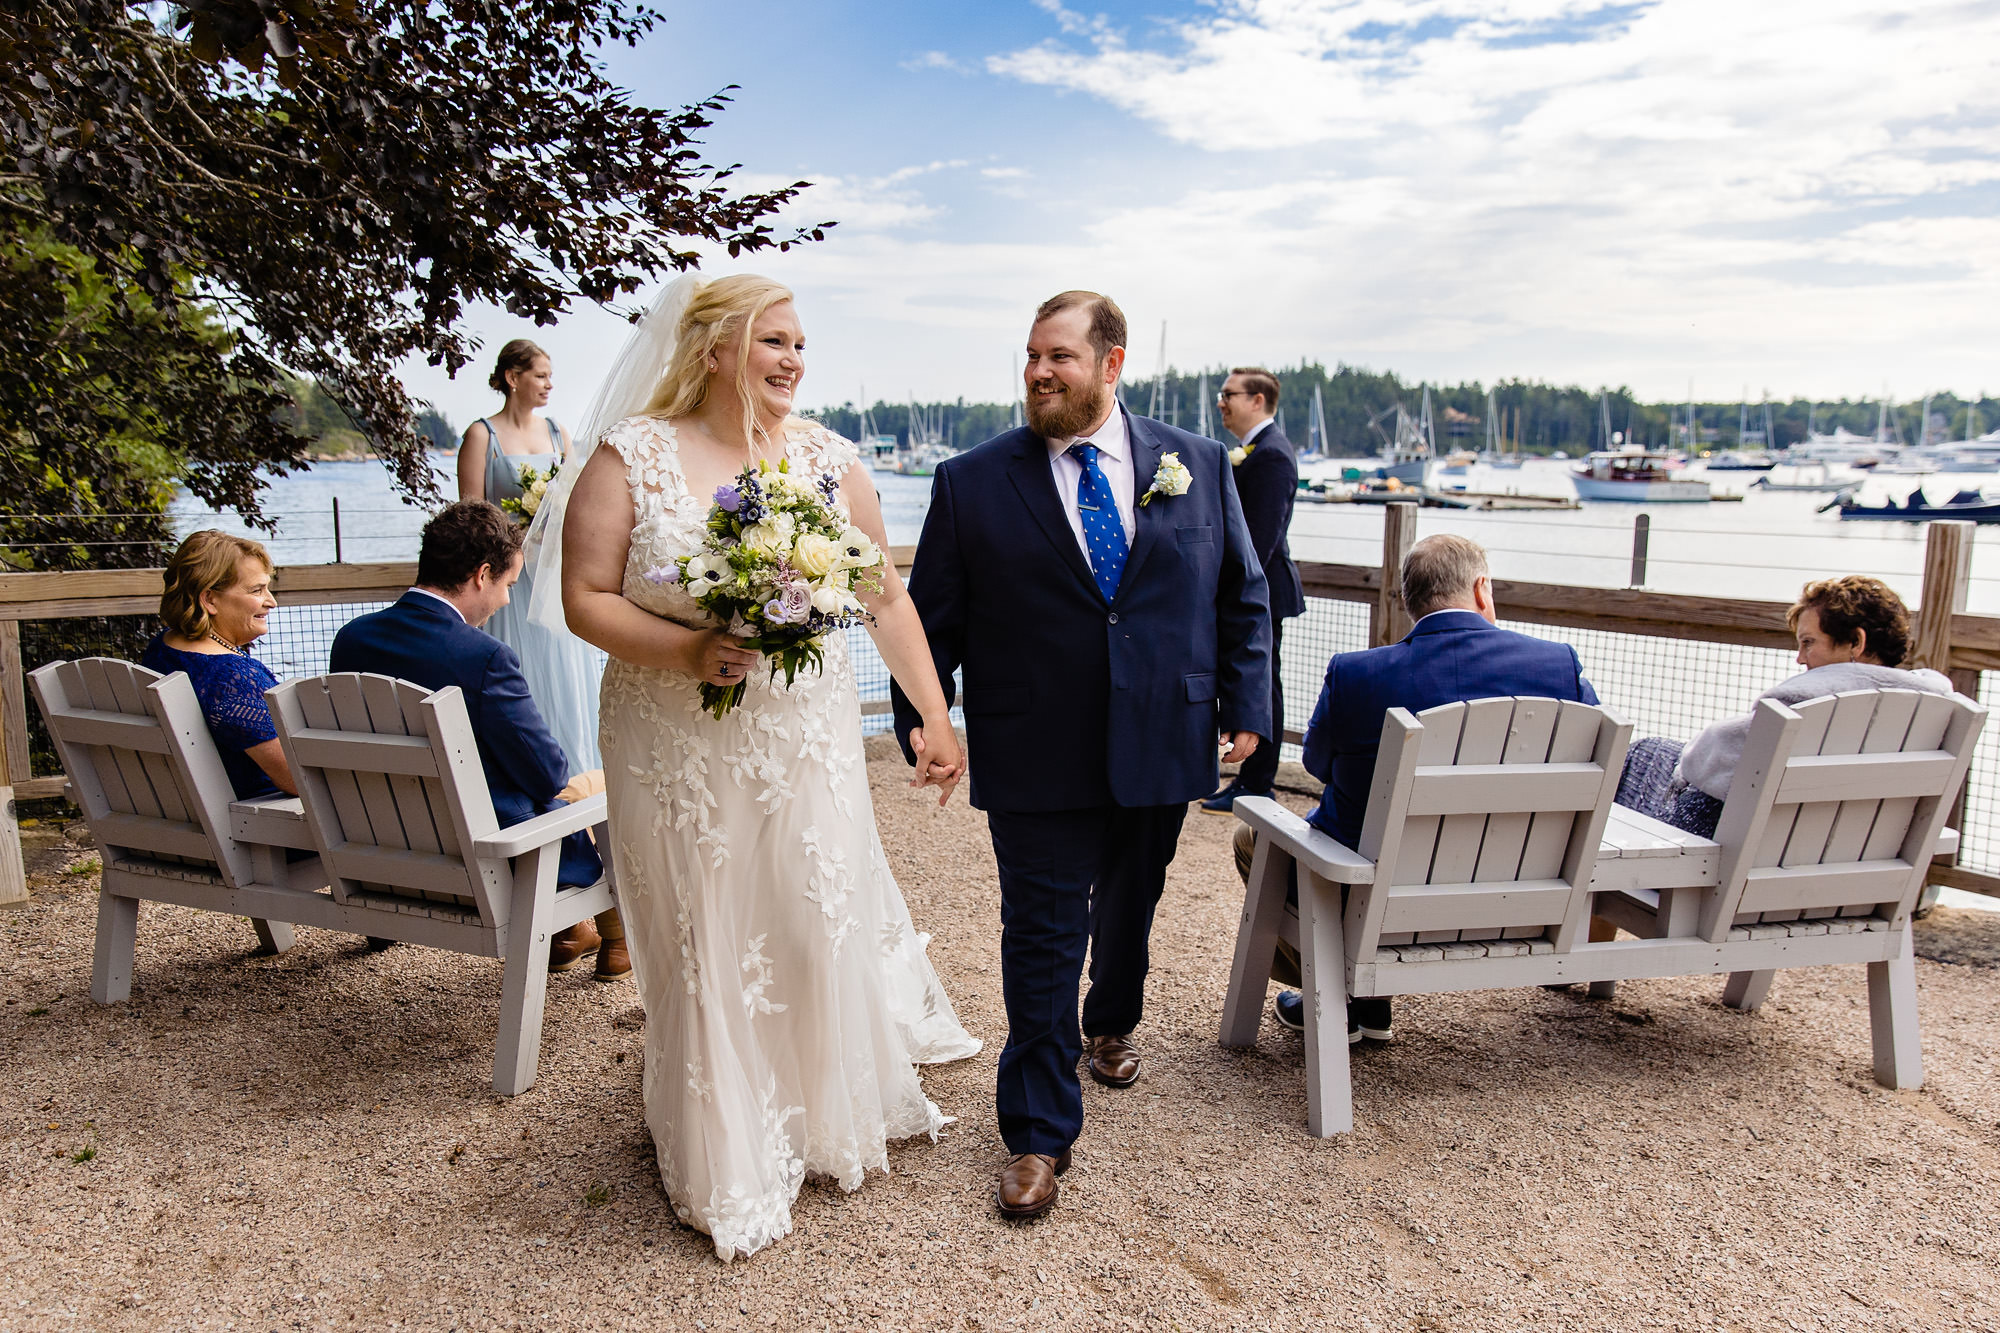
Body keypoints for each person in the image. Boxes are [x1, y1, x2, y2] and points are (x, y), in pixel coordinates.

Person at [560, 273, 980, 1261]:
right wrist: (685, 650)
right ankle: (722, 1141)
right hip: (675, 736)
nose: (793, 359)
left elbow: (883, 600)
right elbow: (584, 597)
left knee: (803, 911)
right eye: (772, 340)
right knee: (706, 922)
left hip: (805, 732)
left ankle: (815, 1107)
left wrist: (931, 713)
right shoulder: (632, 457)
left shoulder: (832, 462)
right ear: (711, 348)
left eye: (800, 344)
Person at [893, 290, 1273, 1222]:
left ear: (1111, 363)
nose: (1037, 372)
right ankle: (1034, 1132)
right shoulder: (973, 480)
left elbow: (1243, 597)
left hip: (1164, 734)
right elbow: (926, 622)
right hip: (1033, 747)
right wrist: (925, 719)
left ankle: (1110, 1023)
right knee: (1041, 933)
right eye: (1030, 356)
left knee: (1133, 902)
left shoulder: (1198, 463)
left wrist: (1247, 703)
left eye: (1058, 356)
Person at [1241, 534, 1599, 1041]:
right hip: (1517, 900)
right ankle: (1361, 1000)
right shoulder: (1556, 666)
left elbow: (1318, 764)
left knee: (1253, 839)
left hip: (1378, 902)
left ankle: (1339, 992)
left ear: (1408, 601)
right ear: (1481, 588)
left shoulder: (1358, 675)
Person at [329, 501, 621, 975]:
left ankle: (573, 935)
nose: (508, 600)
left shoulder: (351, 640)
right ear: (482, 574)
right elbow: (547, 774)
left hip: (378, 855)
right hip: (487, 865)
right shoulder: (483, 657)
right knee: (598, 787)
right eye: (508, 585)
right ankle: (615, 939)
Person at [1616, 575, 1952, 838]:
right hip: (1848, 866)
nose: (1800, 659)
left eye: (1808, 643)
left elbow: (1710, 761)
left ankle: (1593, 905)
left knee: (1642, 755)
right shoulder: (1929, 713)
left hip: (1739, 879)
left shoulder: (1800, 707)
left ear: (1856, 642)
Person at [458, 338, 604, 773]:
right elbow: (470, 514)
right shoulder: (481, 434)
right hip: (508, 577)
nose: (548, 385)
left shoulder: (558, 432)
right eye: (540, 375)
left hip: (555, 576)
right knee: (517, 670)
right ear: (512, 378)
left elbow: (581, 499)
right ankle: (521, 770)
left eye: (550, 377)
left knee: (566, 674)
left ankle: (576, 775)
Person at [1202, 366, 1303, 813]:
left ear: (1257, 400)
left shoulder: (1273, 455)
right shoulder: (1251, 451)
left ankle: (1258, 783)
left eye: (1229, 395)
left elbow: (1259, 538)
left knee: (1264, 687)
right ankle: (1246, 779)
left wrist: (1233, 593)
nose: (1221, 403)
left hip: (1262, 593)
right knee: (1260, 683)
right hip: (1253, 590)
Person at [141, 531, 293, 799]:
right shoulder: (232, 679)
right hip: (256, 820)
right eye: (257, 590)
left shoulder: (163, 650)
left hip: (185, 809)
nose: (271, 601)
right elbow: (296, 779)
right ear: (209, 599)